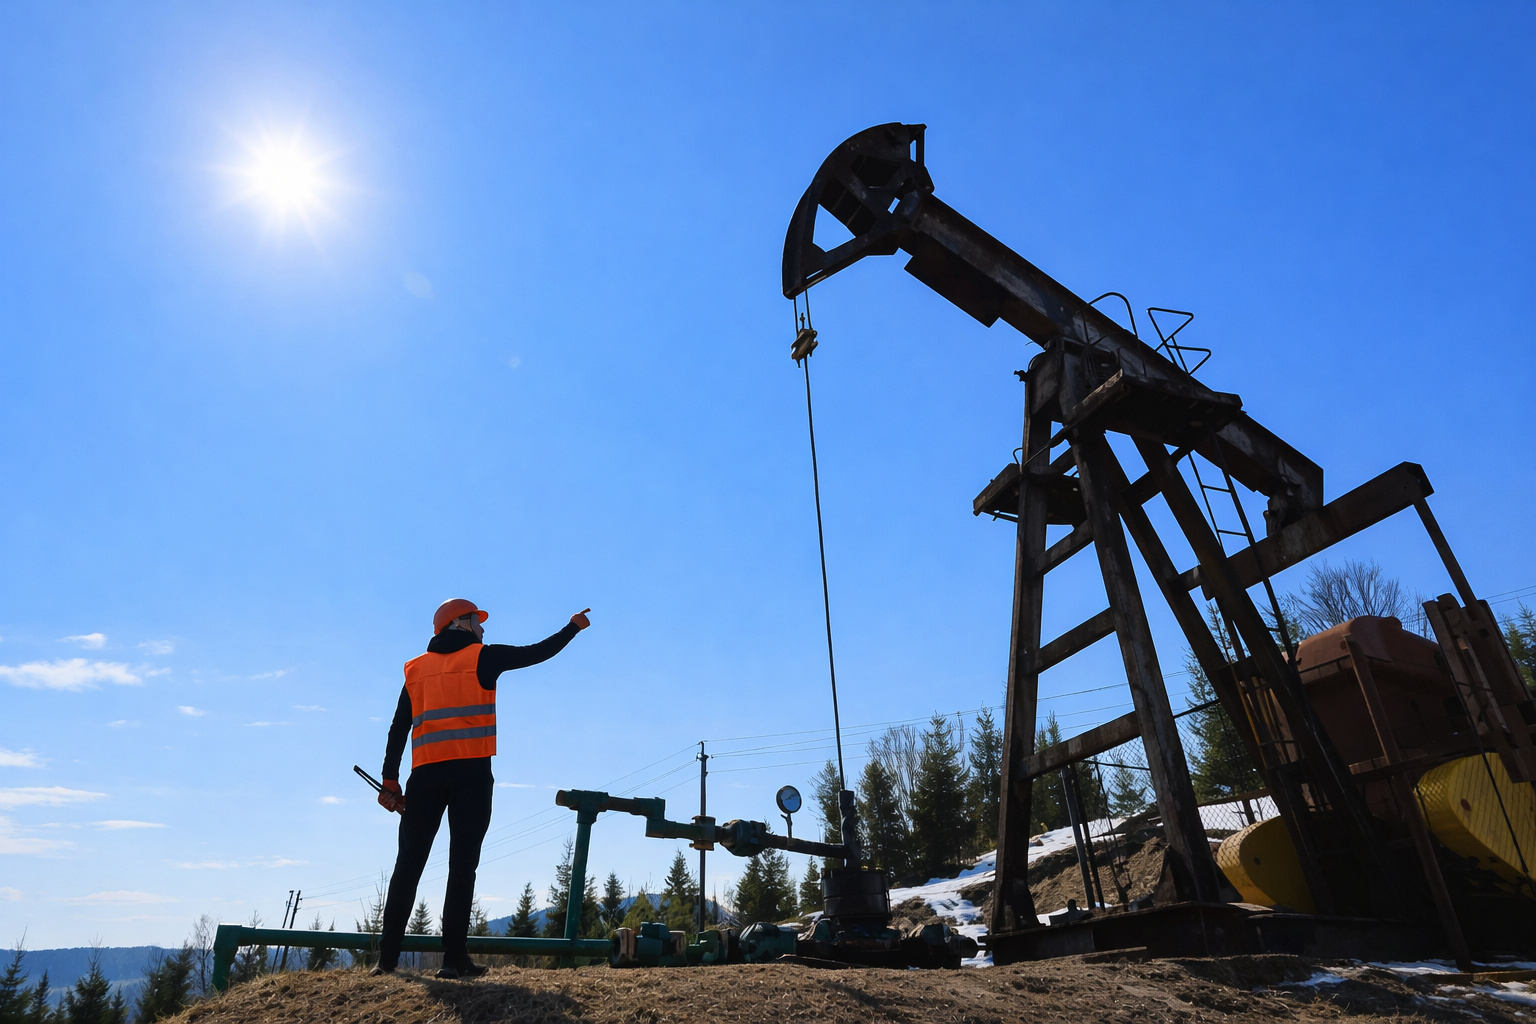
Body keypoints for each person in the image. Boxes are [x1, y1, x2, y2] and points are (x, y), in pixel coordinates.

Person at [373, 597, 590, 978]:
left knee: (408, 864)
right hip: (471, 776)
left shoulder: (416, 669)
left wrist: (390, 780)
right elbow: (537, 652)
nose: (483, 627)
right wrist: (572, 627)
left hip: (424, 777)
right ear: (460, 623)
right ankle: (453, 960)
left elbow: (398, 728)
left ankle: (386, 961)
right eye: (478, 620)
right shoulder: (482, 657)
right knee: (463, 865)